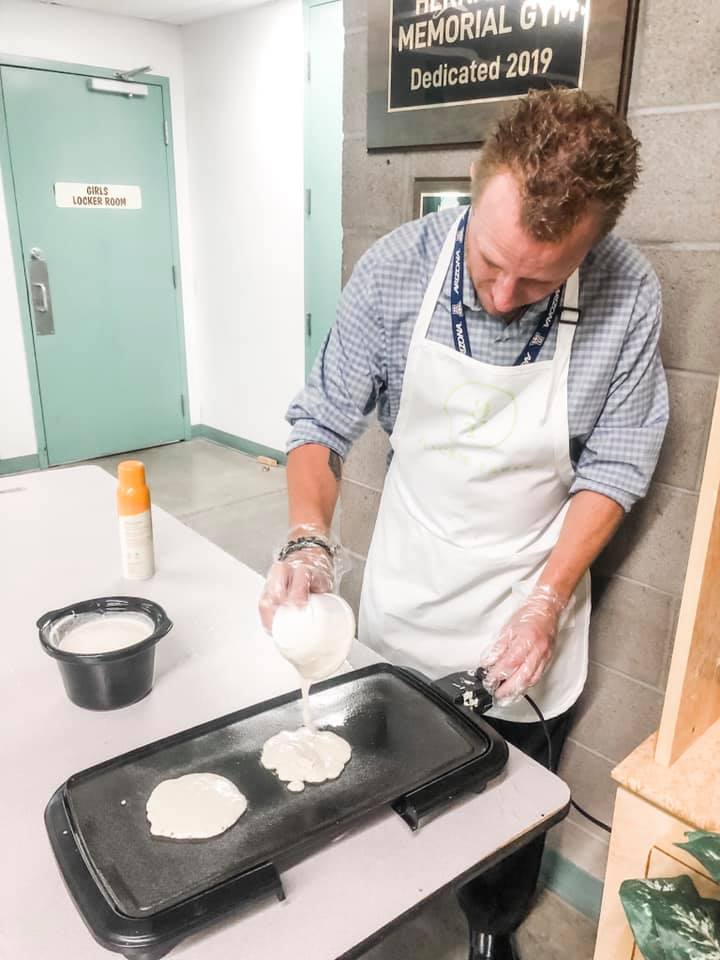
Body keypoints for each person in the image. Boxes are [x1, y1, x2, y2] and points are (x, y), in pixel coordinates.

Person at [259, 88, 668, 960]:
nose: (504, 293)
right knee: (376, 794)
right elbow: (322, 423)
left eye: (540, 278)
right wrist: (306, 539)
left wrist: (547, 600)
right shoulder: (395, 269)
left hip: (526, 623)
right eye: (489, 261)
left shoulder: (628, 297)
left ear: (590, 246)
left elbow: (618, 468)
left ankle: (491, 933)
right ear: (476, 189)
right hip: (406, 603)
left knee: (508, 819)